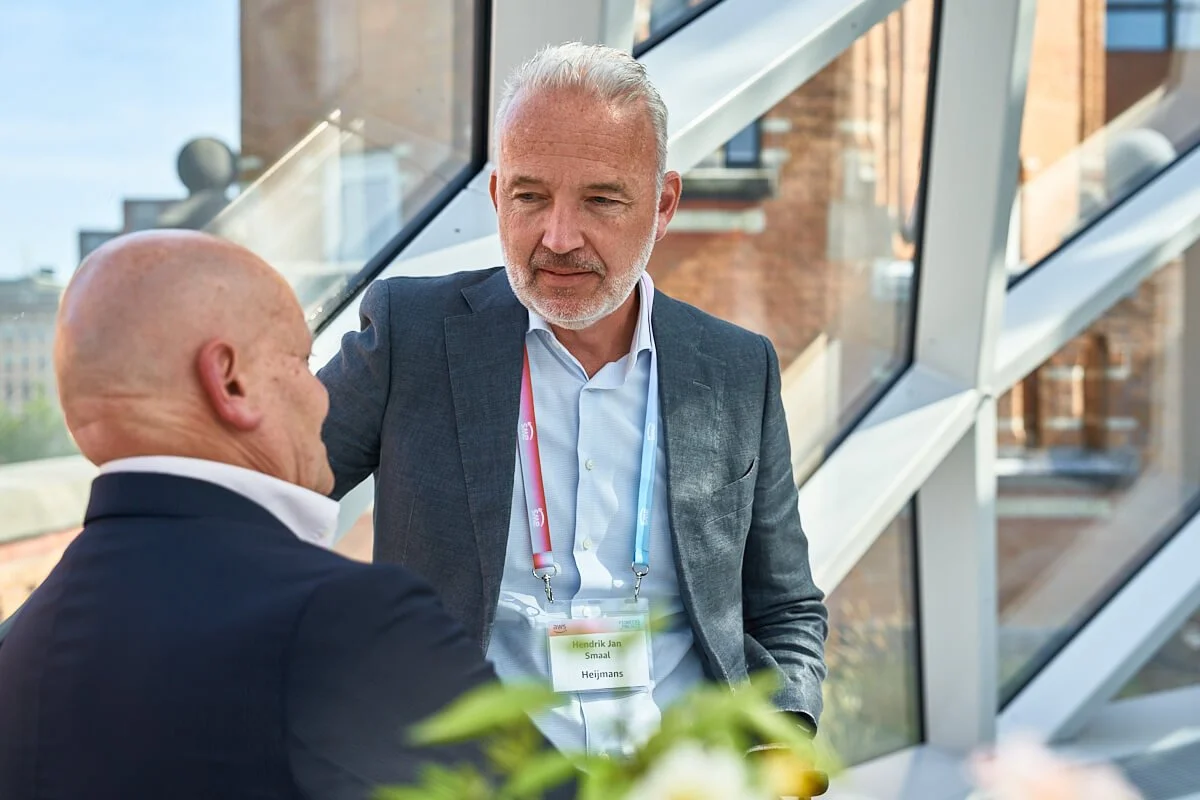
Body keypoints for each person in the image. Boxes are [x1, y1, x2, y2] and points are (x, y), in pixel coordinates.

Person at [319, 42, 828, 756]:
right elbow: (256, 489)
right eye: (530, 196)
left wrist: (782, 752)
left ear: (663, 204)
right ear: (498, 197)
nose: (558, 237)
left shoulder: (736, 368)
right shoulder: (413, 335)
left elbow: (786, 604)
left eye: (601, 200)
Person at [0, 230, 562, 800]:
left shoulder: (19, 645)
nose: (322, 396)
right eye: (299, 360)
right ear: (231, 381)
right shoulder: (345, 620)